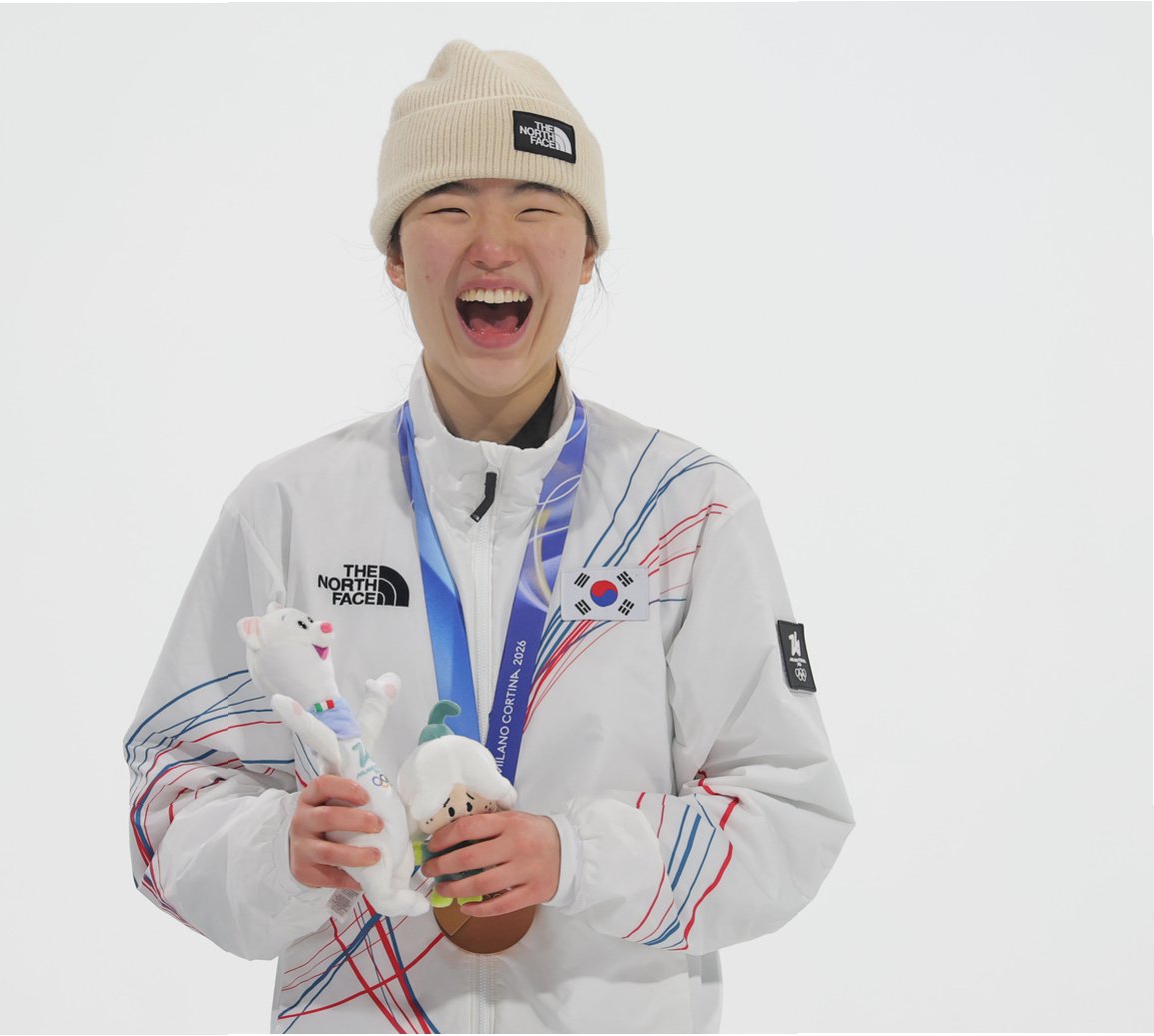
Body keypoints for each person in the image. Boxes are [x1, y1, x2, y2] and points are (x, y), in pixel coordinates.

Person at [124, 39, 854, 1034]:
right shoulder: (288, 507)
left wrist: (573, 855)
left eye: (536, 206)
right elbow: (170, 796)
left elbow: (792, 813)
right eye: (449, 205)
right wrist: (278, 850)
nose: (493, 245)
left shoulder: (687, 511)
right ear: (394, 255)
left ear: (588, 252)